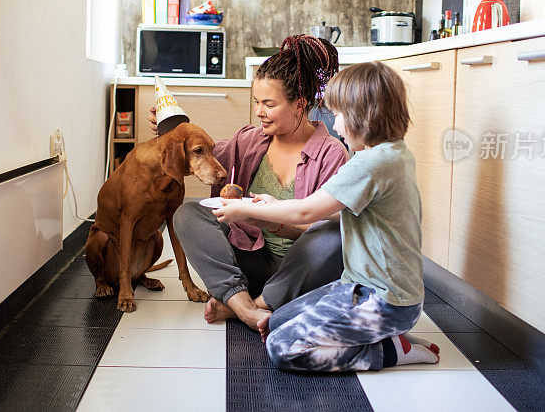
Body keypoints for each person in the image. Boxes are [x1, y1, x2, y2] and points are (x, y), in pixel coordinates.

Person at [213, 61, 440, 372]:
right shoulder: (395, 154)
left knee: (282, 348)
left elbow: (307, 209)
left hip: (382, 300)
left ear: (362, 117)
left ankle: (388, 350)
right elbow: (329, 214)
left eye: (338, 115)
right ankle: (387, 336)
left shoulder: (369, 165)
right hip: (364, 289)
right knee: (277, 320)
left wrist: (246, 209)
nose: (335, 125)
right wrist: (269, 204)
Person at [151, 34, 350, 331]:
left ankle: (248, 307)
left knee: (334, 236)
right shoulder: (249, 140)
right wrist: (171, 131)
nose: (259, 111)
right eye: (257, 102)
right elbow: (199, 154)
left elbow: (325, 228)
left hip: (301, 269)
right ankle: (243, 302)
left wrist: (262, 217)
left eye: (268, 104)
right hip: (248, 263)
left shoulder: (331, 153)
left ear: (300, 104)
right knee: (188, 214)